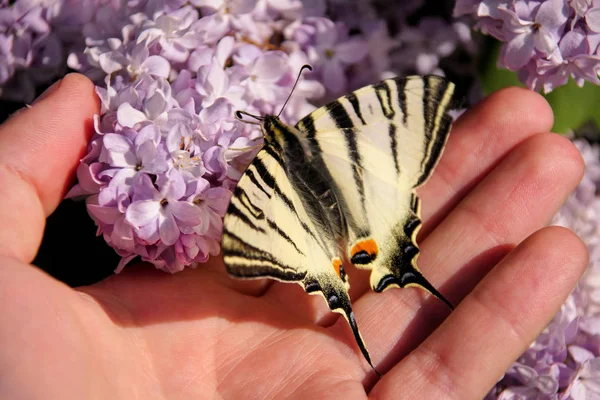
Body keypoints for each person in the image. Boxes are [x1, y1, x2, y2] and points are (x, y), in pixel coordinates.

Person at [0, 73, 589, 399]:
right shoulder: (314, 138)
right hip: (362, 209)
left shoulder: (260, 178)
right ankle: (379, 255)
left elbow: (250, 228)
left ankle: (365, 259)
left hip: (302, 232)